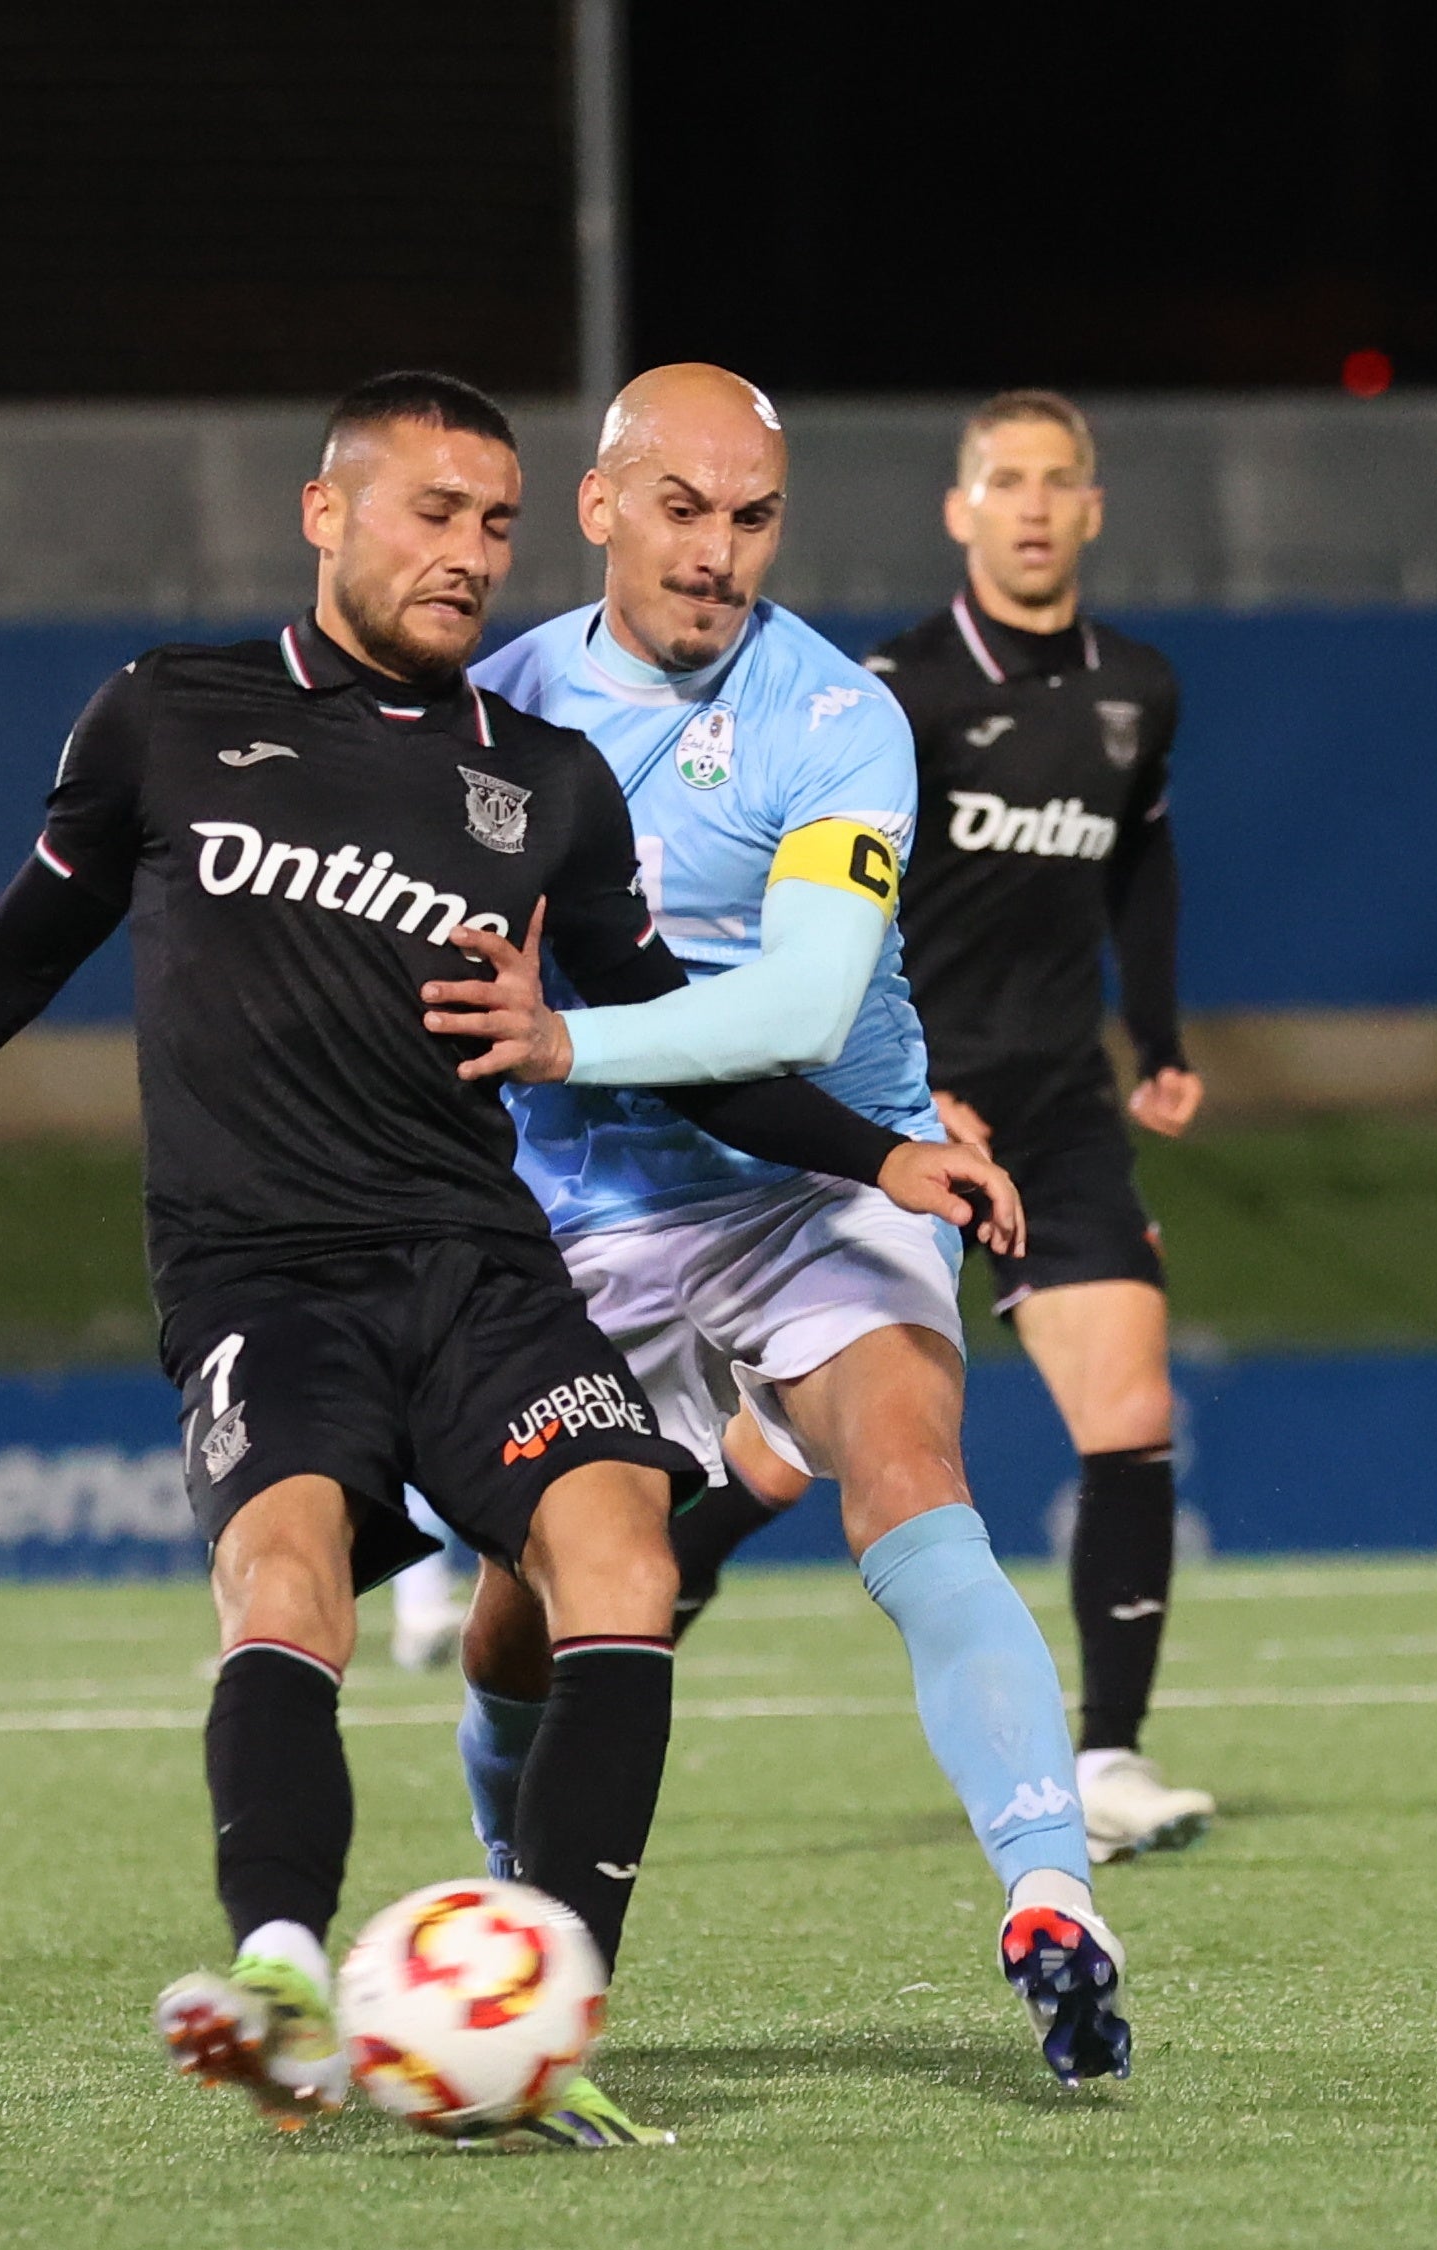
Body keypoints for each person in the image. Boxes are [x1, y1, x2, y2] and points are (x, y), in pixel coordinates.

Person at [0, 371, 1019, 2145]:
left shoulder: (541, 784)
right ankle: (282, 1971)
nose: (465, 556)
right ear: (327, 513)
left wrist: (884, 1151)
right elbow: (12, 955)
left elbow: (676, 1033)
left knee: (617, 1553)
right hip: (259, 1273)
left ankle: (544, 1998)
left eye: (492, 525)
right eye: (428, 514)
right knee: (284, 1573)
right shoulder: (167, 714)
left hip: (480, 1267)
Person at [421, 365, 1132, 2086]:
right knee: (543, 1610)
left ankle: (1052, 1893)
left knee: (913, 1471)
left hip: (823, 1178)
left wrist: (576, 1038)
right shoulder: (489, 711)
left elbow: (808, 1004)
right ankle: (516, 1883)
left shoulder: (834, 716)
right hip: (584, 1209)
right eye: (682, 510)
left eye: (751, 520)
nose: (717, 554)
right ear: (599, 507)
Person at [864, 390, 1214, 1857]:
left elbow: (1137, 859)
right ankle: (580, 1663)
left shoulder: (1138, 687)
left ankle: (1109, 1756)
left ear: (1089, 509)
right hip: (899, 1104)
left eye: (1053, 480)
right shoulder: (895, 692)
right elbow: (834, 897)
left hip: (1060, 1099)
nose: (1027, 503)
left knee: (1130, 1410)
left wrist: (1162, 1038)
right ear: (958, 509)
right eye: (1000, 479)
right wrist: (879, 1075)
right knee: (771, 1458)